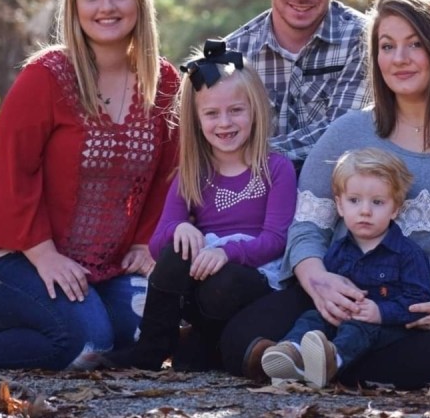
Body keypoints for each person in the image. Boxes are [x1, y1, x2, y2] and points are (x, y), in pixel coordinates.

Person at [219, 0, 430, 390]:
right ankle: (322, 357)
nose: (399, 59)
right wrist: (320, 282)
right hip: (344, 296)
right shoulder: (348, 133)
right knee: (240, 336)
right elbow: (307, 228)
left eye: (414, 45)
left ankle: (325, 361)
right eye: (386, 46)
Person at [0, 0, 181, 370]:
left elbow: (167, 176)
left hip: (107, 265)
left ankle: (84, 317)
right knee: (85, 345)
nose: (107, 7)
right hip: (19, 260)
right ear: (74, 5)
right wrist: (44, 255)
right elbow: (12, 175)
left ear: (139, 0)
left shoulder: (164, 81)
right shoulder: (45, 77)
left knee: (149, 332)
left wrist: (145, 242)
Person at [102, 39, 296, 371]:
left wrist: (227, 252)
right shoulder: (193, 173)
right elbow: (157, 245)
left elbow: (276, 241)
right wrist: (181, 228)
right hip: (201, 276)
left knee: (223, 288)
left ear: (256, 110)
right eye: (211, 113)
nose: (225, 123)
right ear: (196, 119)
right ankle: (151, 346)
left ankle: (205, 340)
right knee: (178, 250)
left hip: (252, 276)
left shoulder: (276, 167)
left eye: (236, 110)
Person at [261, 148, 430, 388]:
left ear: (395, 208)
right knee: (312, 318)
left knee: (359, 328)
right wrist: (330, 305)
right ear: (340, 206)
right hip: (340, 319)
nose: (365, 210)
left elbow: (420, 301)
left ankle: (332, 361)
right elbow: (326, 291)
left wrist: (380, 312)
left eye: (377, 202)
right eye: (354, 201)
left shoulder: (408, 254)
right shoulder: (338, 250)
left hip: (383, 328)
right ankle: (292, 352)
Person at [225, 0, 370, 172]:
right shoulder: (233, 53)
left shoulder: (365, 41)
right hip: (251, 205)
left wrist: (242, 154)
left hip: (343, 205)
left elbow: (344, 136)